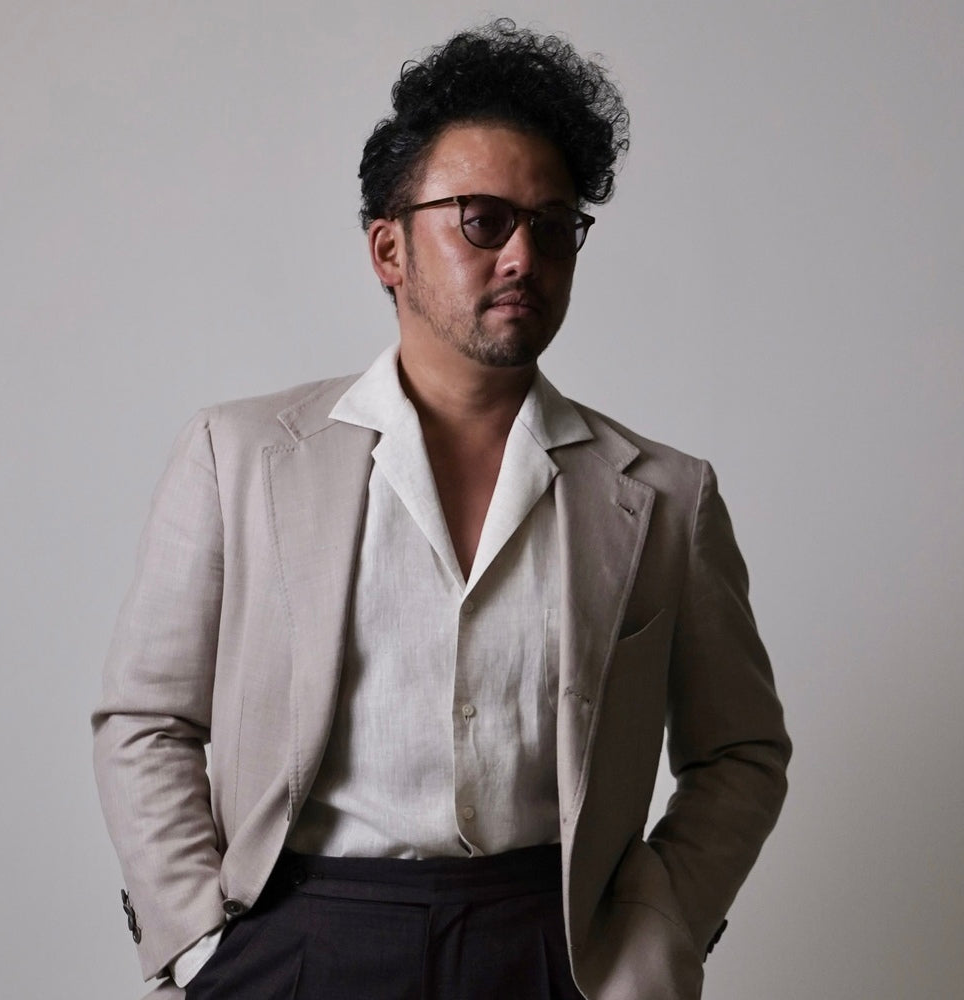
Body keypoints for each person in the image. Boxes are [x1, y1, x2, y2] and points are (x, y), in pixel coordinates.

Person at [93, 19, 790, 1000]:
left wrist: (659, 924)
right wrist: (201, 943)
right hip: (299, 938)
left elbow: (740, 750)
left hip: (551, 947)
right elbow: (148, 718)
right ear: (389, 247)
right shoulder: (237, 456)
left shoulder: (665, 496)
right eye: (482, 220)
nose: (523, 256)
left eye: (553, 225)